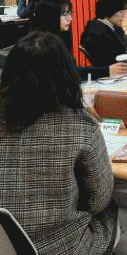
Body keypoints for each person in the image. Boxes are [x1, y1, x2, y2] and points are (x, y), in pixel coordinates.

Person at [0, 31, 117, 254]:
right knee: (112, 209)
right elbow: (98, 201)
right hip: (64, 246)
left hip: (5, 247)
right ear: (66, 74)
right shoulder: (80, 126)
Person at [32, 0, 127, 79]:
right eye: (64, 14)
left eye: (70, 13)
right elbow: (66, 72)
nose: (70, 19)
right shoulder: (40, 44)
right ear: (50, 16)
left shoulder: (59, 36)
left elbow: (70, 68)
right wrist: (106, 71)